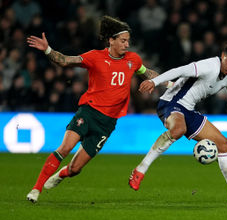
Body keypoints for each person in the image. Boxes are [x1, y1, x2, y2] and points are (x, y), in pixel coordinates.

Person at [26, 15, 162, 203]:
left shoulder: (133, 60)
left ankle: (61, 175)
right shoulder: (95, 57)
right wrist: (48, 49)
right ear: (111, 40)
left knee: (75, 169)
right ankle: (36, 189)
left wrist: (165, 82)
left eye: (128, 41)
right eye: (123, 41)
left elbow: (148, 73)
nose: (127, 45)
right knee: (65, 148)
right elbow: (64, 60)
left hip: (107, 123)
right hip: (88, 112)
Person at [129, 42, 227, 206]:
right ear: (223, 56)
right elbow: (179, 70)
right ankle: (140, 170)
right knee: (179, 129)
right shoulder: (208, 66)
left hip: (189, 110)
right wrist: (155, 82)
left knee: (224, 144)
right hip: (171, 103)